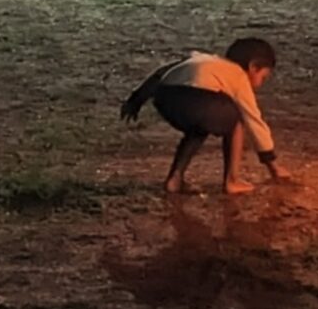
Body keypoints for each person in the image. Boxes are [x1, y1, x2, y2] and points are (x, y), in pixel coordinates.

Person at [120, 37, 296, 194]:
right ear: (253, 67)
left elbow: (160, 73)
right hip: (198, 101)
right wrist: (273, 166)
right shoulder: (238, 76)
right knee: (237, 119)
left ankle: (175, 179)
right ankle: (232, 181)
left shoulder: (201, 58)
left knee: (200, 127)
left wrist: (136, 100)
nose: (260, 84)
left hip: (165, 97)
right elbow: (254, 121)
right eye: (263, 77)